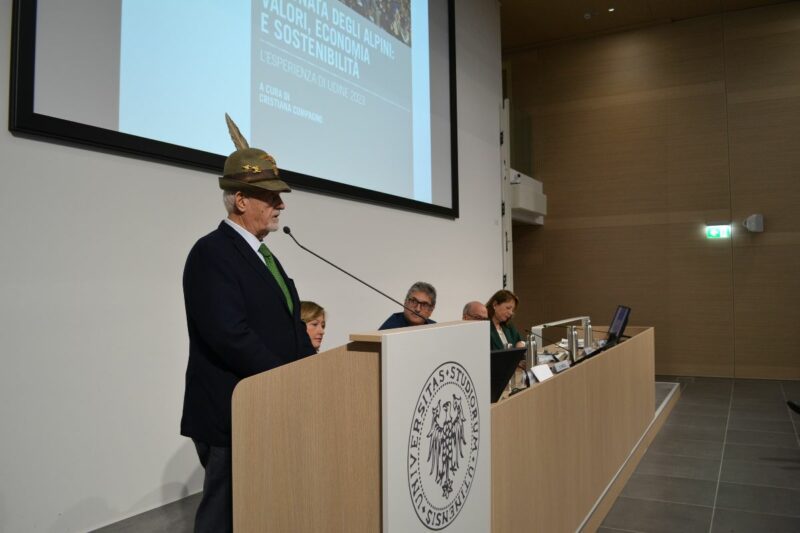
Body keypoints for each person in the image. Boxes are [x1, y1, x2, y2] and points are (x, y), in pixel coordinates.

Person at [181, 115, 315, 533]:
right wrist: (287, 377)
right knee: (224, 517)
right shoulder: (211, 253)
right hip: (231, 413)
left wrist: (310, 367)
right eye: (271, 197)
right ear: (240, 200)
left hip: (268, 406)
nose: (281, 205)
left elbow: (288, 322)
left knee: (258, 511)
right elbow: (229, 335)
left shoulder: (264, 256)